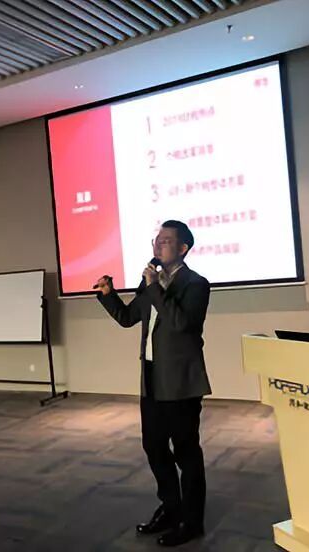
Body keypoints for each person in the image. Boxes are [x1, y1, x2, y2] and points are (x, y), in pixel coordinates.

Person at [95, 220, 212, 547]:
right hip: (151, 378)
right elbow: (128, 318)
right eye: (156, 240)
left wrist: (155, 287)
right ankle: (171, 508)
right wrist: (109, 296)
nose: (158, 244)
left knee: (186, 453)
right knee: (154, 447)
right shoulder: (151, 284)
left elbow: (180, 323)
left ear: (183, 248)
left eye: (166, 240)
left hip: (181, 382)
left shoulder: (196, 284)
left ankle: (192, 521)